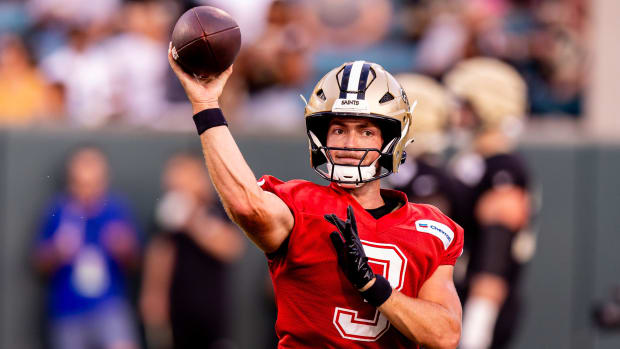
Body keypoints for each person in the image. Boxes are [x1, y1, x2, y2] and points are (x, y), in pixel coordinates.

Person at [168, 50, 464, 348]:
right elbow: (247, 205)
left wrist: (374, 287)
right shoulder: (300, 204)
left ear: (391, 140)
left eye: (365, 132)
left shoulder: (433, 228)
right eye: (338, 130)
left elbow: (445, 334)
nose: (350, 144)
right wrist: (206, 105)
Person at [444, 57, 534, 349]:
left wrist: (476, 328)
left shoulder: (502, 168)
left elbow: (494, 254)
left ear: (487, 105)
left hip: (479, 304)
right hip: (457, 295)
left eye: (465, 105)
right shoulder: (474, 161)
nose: (457, 114)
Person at [33, 146, 141, 349]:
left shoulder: (116, 208)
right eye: (81, 184)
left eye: (93, 184)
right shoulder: (58, 209)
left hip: (110, 306)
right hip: (67, 311)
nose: (87, 191)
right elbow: (39, 262)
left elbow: (135, 260)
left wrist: (123, 247)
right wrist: (58, 251)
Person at [140, 153, 245, 349]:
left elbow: (231, 248)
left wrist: (193, 221)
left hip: (212, 309)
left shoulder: (218, 208)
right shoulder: (166, 212)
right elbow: (159, 254)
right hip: (177, 309)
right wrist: (154, 295)